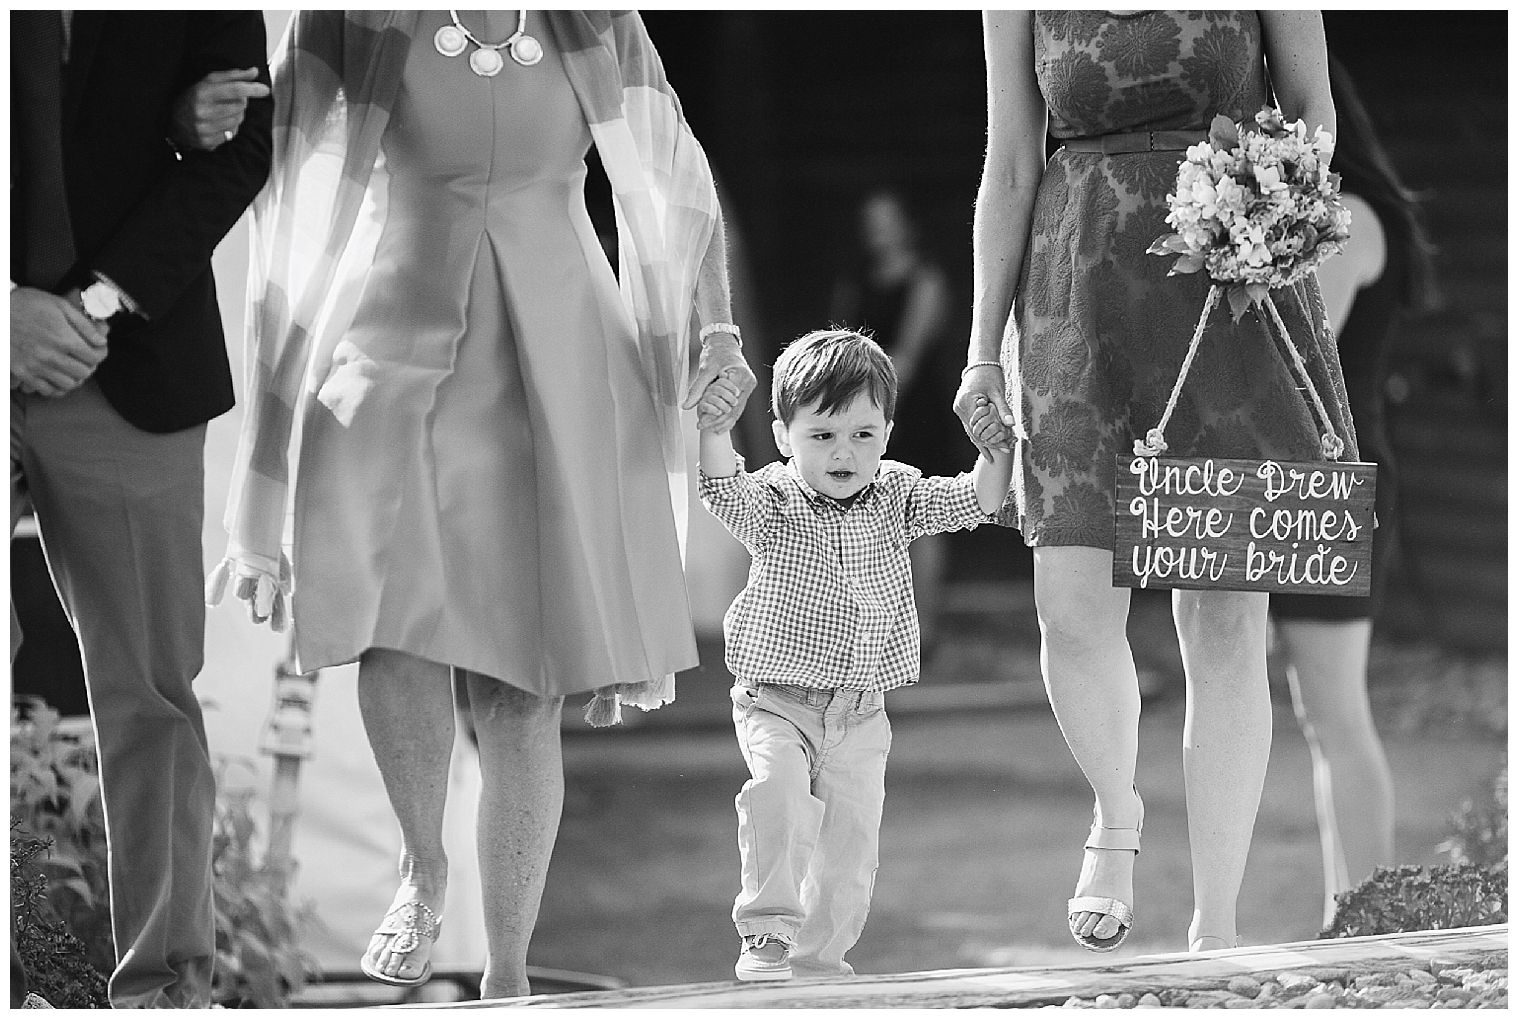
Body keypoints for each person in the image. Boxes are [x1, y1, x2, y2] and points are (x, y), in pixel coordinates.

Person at [207, 11, 754, 999]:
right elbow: (267, 146)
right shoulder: (353, 14)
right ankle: (422, 866)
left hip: (564, 346)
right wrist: (188, 119)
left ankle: (507, 974)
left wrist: (715, 329)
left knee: (525, 675)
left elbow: (672, 166)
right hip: (390, 332)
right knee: (390, 621)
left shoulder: (597, 19)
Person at [961, 11, 1355, 954]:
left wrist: (1273, 202)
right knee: (1070, 602)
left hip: (1229, 283)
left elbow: (1313, 112)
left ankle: (1215, 924)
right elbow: (1012, 166)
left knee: (1224, 620)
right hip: (1075, 291)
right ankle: (1115, 811)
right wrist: (982, 355)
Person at [9, 11, 272, 1007]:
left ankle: (165, 992)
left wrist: (96, 304)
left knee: (149, 694)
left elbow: (247, 134)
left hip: (124, 354)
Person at [697, 329, 1012, 981]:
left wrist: (996, 452)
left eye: (862, 434)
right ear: (784, 436)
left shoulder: (897, 494)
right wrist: (714, 429)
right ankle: (765, 933)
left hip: (861, 712)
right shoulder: (775, 501)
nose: (844, 451)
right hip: (776, 701)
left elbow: (973, 500)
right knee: (778, 793)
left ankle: (819, 965)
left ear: (888, 432)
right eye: (822, 435)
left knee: (849, 854)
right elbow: (722, 487)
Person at [1270, 54, 1436, 929]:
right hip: (1314, 481)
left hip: (1337, 483)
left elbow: (1301, 353)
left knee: (1336, 712)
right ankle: (1355, 912)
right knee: (1322, 712)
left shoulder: (1348, 219)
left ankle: (1370, 916)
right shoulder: (1342, 218)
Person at [831, 189, 962, 656]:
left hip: (910, 407)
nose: (880, 231)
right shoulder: (857, 280)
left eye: (888, 220)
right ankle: (874, 629)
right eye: (873, 222)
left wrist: (869, 409)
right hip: (860, 412)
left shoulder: (926, 280)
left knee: (922, 519)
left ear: (907, 224)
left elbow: (906, 356)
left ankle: (925, 630)